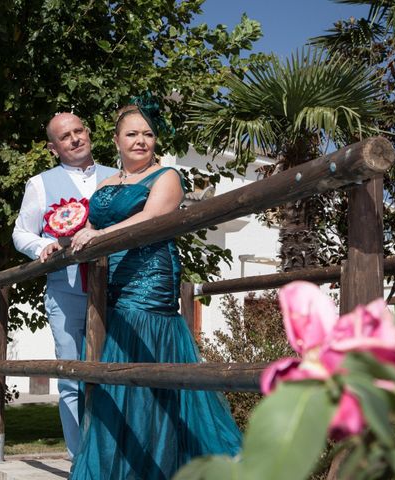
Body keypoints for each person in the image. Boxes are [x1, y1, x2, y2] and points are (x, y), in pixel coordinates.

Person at [67, 102, 242, 479]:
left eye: (147, 134)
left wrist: (97, 235)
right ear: (116, 141)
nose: (141, 141)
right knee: (109, 378)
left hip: (148, 283)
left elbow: (150, 219)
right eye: (132, 134)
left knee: (145, 375)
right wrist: (63, 242)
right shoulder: (106, 184)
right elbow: (87, 227)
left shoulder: (167, 176)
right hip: (108, 288)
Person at [12, 113, 117, 458]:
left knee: (116, 373)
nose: (74, 139)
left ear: (88, 133)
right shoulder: (40, 184)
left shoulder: (117, 176)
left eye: (78, 131)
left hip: (116, 289)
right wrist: (41, 246)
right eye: (65, 136)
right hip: (66, 290)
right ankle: (79, 457)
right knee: (71, 375)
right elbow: (21, 232)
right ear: (53, 148)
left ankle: (114, 453)